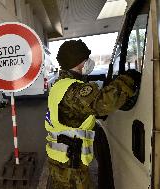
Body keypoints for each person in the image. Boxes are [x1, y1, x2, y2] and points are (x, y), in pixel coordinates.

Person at [45, 40, 141, 189]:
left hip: (61, 160)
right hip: (71, 166)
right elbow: (105, 102)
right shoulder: (73, 90)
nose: (89, 62)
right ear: (79, 62)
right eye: (86, 59)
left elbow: (76, 113)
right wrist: (127, 80)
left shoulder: (59, 85)